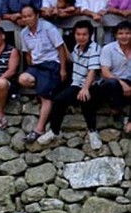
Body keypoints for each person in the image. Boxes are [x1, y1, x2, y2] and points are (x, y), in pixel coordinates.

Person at [36, 20, 101, 150]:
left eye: (84, 34)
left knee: (86, 100)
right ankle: (54, 131)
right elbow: (71, 59)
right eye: (78, 34)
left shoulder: (94, 48)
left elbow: (92, 71)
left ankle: (93, 132)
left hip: (91, 85)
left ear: (90, 35)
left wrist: (85, 88)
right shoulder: (76, 48)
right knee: (59, 100)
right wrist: (62, 45)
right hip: (76, 83)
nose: (81, 37)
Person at [95, 21, 131, 133]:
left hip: (128, 81)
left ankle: (130, 122)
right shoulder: (108, 48)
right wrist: (122, 84)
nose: (124, 36)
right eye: (120, 33)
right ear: (115, 35)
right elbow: (105, 72)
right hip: (110, 82)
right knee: (113, 83)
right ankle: (116, 110)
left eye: (128, 33)